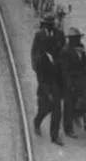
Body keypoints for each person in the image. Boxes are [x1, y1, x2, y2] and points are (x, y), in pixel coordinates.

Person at [31, 13, 64, 144]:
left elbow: (62, 50)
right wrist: (37, 67)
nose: (50, 27)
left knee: (57, 108)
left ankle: (54, 136)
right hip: (44, 76)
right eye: (47, 25)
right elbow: (34, 53)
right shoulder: (39, 36)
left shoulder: (59, 34)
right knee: (45, 107)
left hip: (56, 76)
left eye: (51, 25)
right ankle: (37, 121)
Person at [59, 27, 86, 138]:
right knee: (69, 105)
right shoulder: (65, 51)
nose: (78, 40)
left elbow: (83, 65)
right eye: (76, 38)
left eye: (78, 38)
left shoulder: (81, 48)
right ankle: (68, 129)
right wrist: (69, 85)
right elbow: (65, 71)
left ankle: (76, 115)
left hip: (81, 81)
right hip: (70, 83)